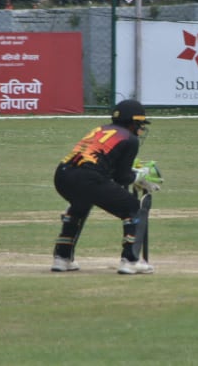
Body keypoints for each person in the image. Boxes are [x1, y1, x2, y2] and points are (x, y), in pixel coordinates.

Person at [51, 100, 158, 275]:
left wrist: (131, 175)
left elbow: (108, 168)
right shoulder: (130, 139)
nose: (140, 128)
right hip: (88, 178)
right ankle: (130, 261)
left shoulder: (100, 129)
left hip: (62, 175)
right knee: (133, 207)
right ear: (132, 122)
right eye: (139, 124)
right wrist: (140, 176)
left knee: (80, 205)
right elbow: (121, 177)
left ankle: (62, 258)